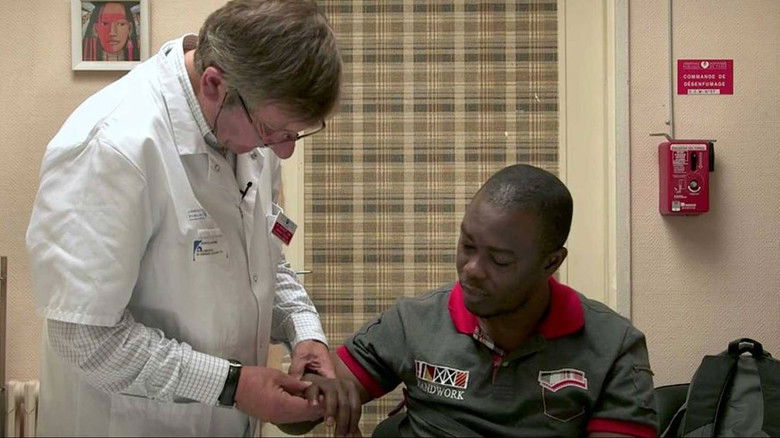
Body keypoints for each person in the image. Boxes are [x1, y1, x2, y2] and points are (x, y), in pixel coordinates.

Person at [26, 0, 341, 436]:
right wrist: (232, 385)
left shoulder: (252, 132)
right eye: (275, 131)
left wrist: (304, 331)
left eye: (294, 133)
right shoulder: (112, 147)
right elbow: (83, 339)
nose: (284, 151)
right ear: (214, 84)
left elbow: (264, 262)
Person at [299, 164, 658, 437]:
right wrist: (316, 394)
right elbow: (297, 416)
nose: (471, 270)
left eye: (499, 260)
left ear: (551, 263)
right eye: (467, 246)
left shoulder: (613, 347)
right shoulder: (414, 322)